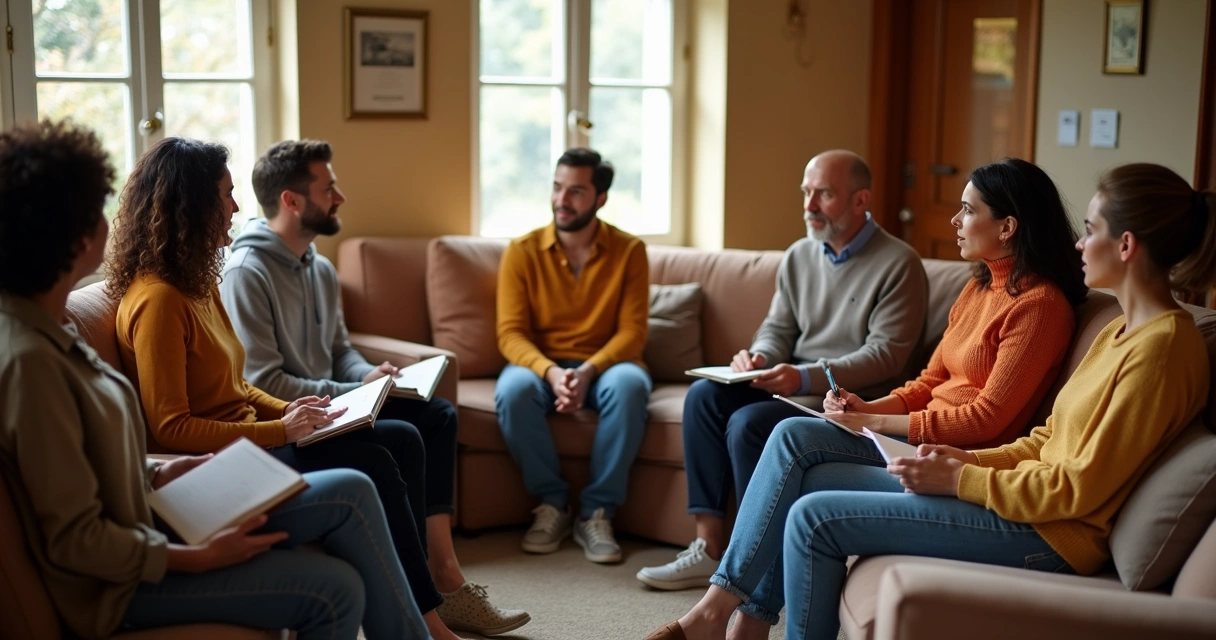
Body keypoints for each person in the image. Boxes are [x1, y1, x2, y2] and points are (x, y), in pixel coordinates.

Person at [0, 120, 430, 640]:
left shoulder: (67, 329)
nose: (236, 207)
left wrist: (159, 472)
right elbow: (84, 524)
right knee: (355, 493)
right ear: (74, 233)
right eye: (226, 196)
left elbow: (213, 397)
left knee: (382, 456)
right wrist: (196, 554)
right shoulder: (39, 357)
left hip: (179, 490)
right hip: (124, 576)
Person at [646, 157, 1093, 640]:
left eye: (967, 210)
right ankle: (744, 620)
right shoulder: (979, 287)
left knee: (790, 435)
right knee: (789, 448)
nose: (954, 220)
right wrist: (866, 408)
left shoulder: (1040, 306)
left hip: (955, 456)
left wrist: (875, 424)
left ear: (1007, 227)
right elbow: (928, 382)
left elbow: (987, 419)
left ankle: (719, 613)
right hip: (913, 437)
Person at [106, 136, 461, 640]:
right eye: (225, 196)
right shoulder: (160, 300)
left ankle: (425, 605)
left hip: (254, 443)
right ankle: (424, 622)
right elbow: (171, 428)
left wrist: (296, 411)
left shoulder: (197, 283)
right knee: (374, 461)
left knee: (402, 437)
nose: (235, 208)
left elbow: (236, 387)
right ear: (192, 206)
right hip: (221, 466)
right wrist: (281, 430)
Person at [219, 138, 528, 636]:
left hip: (332, 404)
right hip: (293, 419)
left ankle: (445, 574)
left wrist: (366, 375)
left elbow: (339, 348)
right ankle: (428, 596)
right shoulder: (246, 274)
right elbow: (264, 380)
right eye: (329, 189)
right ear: (291, 201)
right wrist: (349, 391)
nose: (340, 197)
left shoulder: (319, 267)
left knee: (437, 415)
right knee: (396, 441)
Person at [638, 150, 930, 590]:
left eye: (824, 194)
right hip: (793, 382)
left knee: (748, 423)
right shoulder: (799, 255)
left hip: (844, 400)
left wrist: (803, 375)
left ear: (860, 200)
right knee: (703, 396)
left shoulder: (899, 263)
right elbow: (778, 328)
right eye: (806, 192)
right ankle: (709, 546)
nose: (809, 205)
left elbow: (886, 356)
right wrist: (759, 356)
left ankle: (758, 565)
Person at [495, 147, 652, 563]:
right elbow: (510, 333)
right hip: (541, 365)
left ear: (600, 198)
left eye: (576, 191)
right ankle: (554, 503)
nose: (561, 200)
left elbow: (633, 333)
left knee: (631, 386)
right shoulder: (522, 250)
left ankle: (597, 512)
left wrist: (587, 371)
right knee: (512, 391)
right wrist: (550, 372)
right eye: (557, 187)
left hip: (606, 366)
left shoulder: (630, 250)